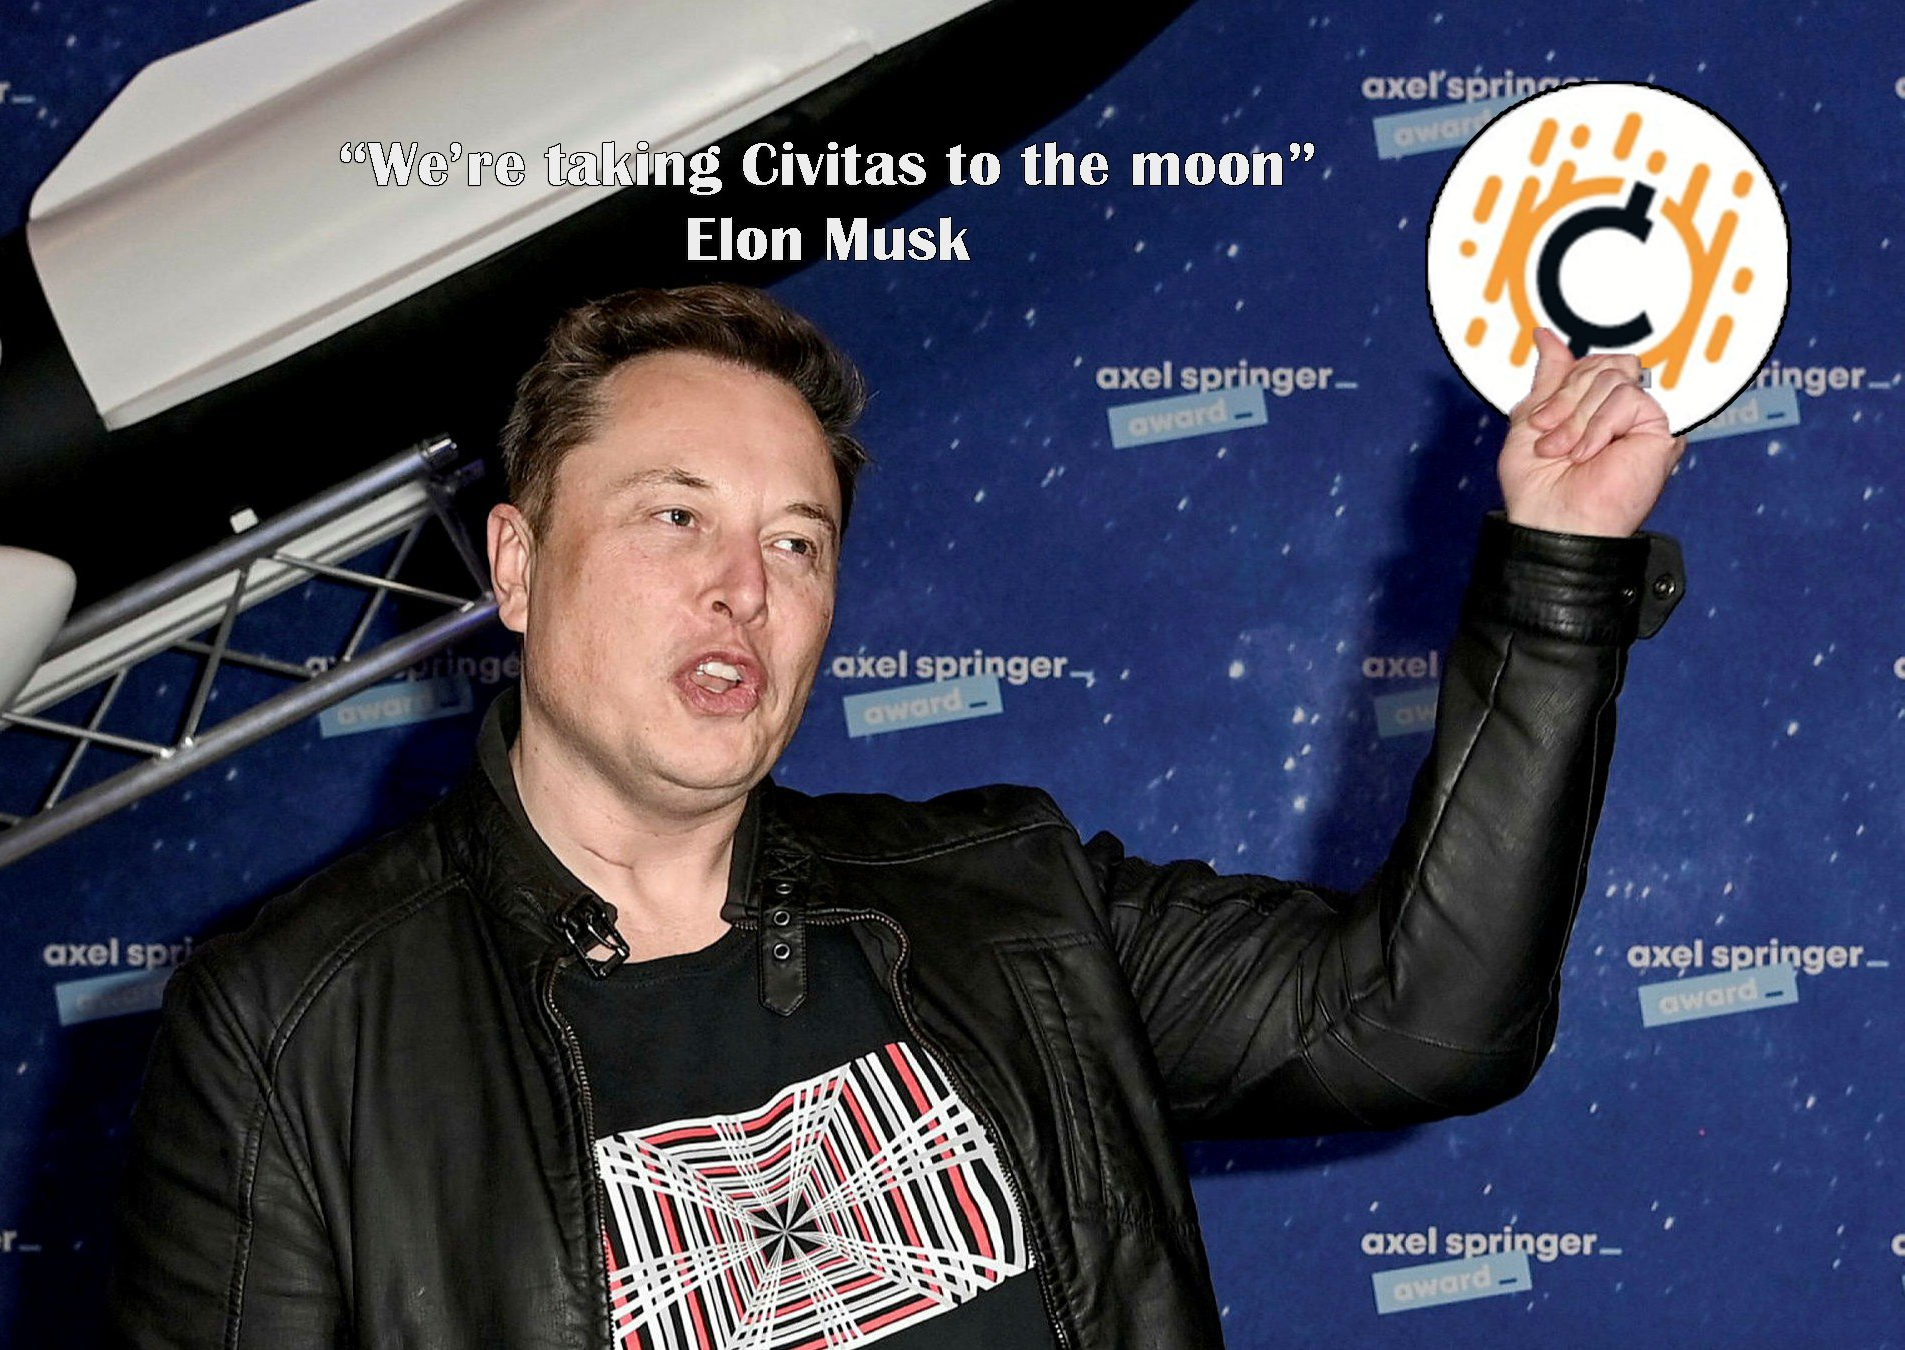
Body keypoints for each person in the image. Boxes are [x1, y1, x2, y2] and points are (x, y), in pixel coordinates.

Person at [104, 283, 1686, 1348]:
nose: (743, 584)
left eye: (797, 541)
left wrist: (1559, 571)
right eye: (674, 516)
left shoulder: (1012, 901)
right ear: (516, 566)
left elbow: (1429, 1018)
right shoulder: (290, 1026)